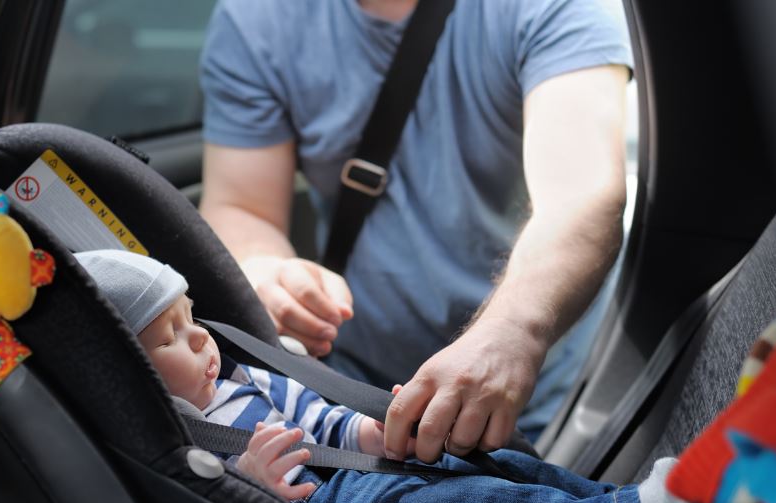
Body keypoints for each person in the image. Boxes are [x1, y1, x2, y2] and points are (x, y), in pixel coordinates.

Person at [75, 249, 685, 503]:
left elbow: (317, 418)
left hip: (357, 471)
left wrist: (375, 434)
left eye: (192, 319)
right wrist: (255, 484)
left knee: (496, 465)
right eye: (170, 338)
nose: (201, 340)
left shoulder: (242, 379)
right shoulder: (175, 442)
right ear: (130, 373)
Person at [197, 0, 634, 460]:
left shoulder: (548, 8)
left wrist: (514, 331)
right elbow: (242, 206)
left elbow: (582, 195)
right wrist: (266, 269)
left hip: (538, 388)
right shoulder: (257, 18)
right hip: (357, 390)